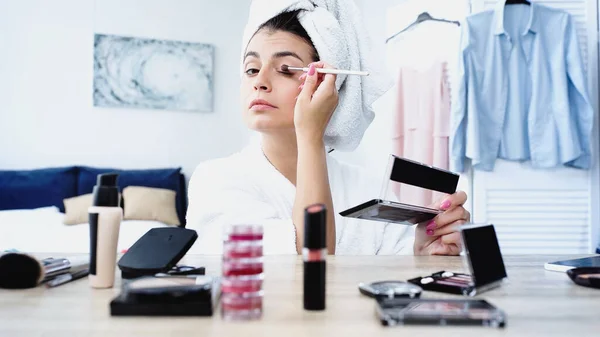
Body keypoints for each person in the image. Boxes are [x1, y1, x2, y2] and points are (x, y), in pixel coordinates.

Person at [186, 10, 470, 256]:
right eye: (251, 69)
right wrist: (310, 135)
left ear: (327, 86)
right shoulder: (214, 180)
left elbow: (393, 278)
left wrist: (421, 251)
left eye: (285, 69)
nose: (259, 81)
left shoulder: (366, 188)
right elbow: (308, 259)